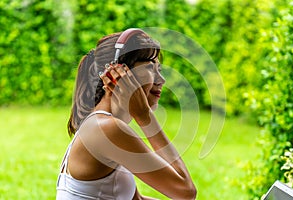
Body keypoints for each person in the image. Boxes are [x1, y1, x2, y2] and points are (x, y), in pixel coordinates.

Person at [56, 28, 197, 200]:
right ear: (119, 75)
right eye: (151, 69)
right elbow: (185, 192)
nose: (161, 80)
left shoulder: (102, 125)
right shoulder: (105, 129)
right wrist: (144, 116)